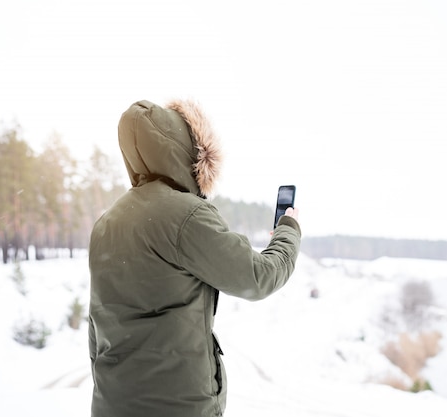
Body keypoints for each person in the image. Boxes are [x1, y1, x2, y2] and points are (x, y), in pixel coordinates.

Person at [88, 99, 302, 417]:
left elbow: (96, 324)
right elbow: (258, 278)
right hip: (177, 406)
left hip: (112, 404)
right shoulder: (187, 215)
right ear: (188, 151)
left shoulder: (107, 222)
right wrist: (289, 228)